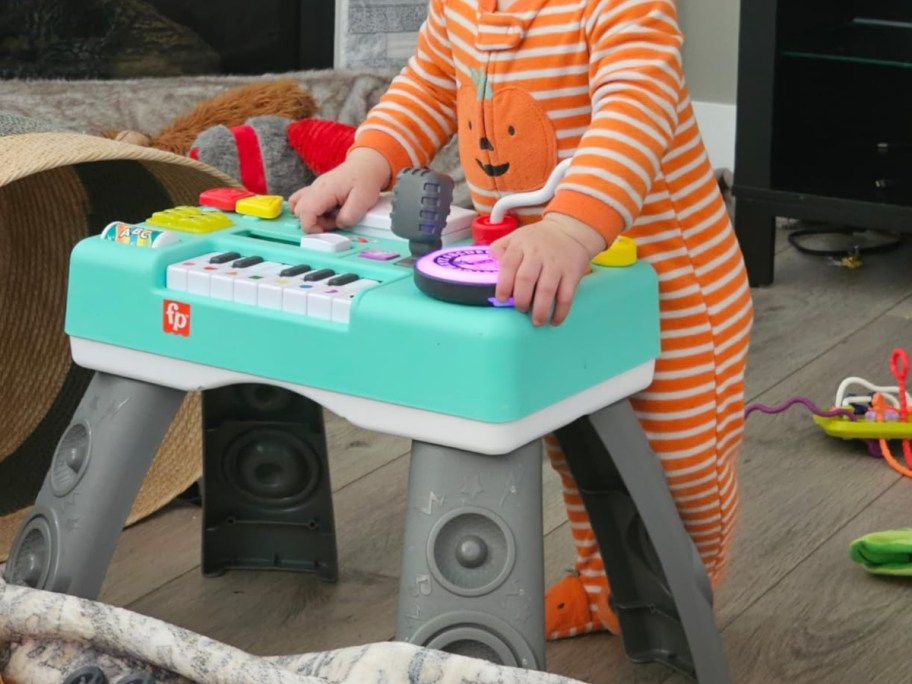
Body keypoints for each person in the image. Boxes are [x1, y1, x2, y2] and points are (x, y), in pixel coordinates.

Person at [290, 0, 753, 640]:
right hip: (545, 281)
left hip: (671, 295)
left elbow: (633, 115)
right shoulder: (460, 8)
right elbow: (426, 87)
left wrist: (568, 225)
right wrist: (366, 163)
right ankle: (603, 588)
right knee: (581, 451)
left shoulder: (623, 8)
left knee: (680, 463)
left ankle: (683, 583)